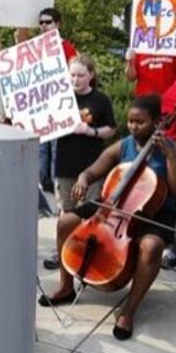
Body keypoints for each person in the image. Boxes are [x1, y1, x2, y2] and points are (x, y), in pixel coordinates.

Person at [39, 95, 176, 341]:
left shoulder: (175, 149)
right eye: (130, 121)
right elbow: (96, 167)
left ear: (156, 122)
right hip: (116, 205)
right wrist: (84, 179)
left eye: (139, 122)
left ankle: (129, 310)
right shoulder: (125, 145)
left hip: (155, 211)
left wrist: (170, 157)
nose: (132, 126)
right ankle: (66, 287)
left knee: (151, 246)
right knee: (66, 221)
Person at [44, 54, 116, 270]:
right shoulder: (60, 98)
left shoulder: (101, 100)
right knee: (66, 211)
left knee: (88, 211)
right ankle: (63, 251)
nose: (75, 79)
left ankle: (85, 251)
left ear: (91, 75)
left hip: (91, 166)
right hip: (65, 165)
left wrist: (91, 131)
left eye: (81, 75)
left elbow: (111, 130)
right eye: (72, 74)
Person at [15, 7, 78, 194]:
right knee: (40, 149)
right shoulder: (34, 47)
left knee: (56, 150)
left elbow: (74, 74)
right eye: (41, 22)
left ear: (58, 24)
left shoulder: (67, 48)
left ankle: (56, 188)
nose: (43, 26)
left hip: (58, 106)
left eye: (48, 22)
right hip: (39, 106)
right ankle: (41, 186)